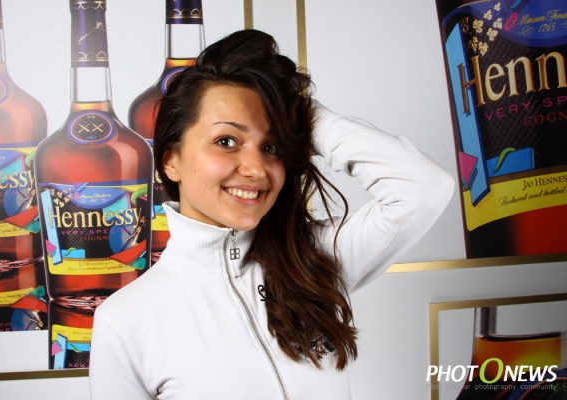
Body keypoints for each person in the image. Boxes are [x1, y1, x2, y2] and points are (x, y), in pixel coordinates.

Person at [88, 29, 454, 399]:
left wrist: (297, 111)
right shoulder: (125, 321)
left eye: (272, 146)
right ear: (171, 161)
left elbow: (424, 187)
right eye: (226, 141)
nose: (256, 169)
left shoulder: (314, 259)